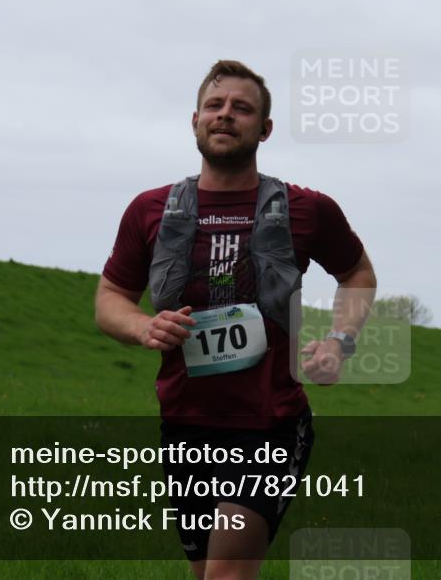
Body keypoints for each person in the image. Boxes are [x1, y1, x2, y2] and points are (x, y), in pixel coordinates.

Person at [94, 60, 376, 580]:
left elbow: (357, 272)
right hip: (185, 421)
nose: (226, 116)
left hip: (270, 423)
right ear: (195, 120)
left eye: (242, 108)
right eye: (215, 106)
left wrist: (340, 341)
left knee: (226, 575)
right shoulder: (150, 209)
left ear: (264, 129)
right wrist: (143, 327)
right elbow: (111, 296)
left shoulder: (306, 209)